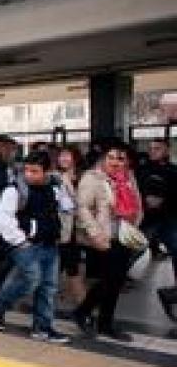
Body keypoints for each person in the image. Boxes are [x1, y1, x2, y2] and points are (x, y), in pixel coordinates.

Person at [0, 152, 70, 343]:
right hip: (25, 244)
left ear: (47, 171)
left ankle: (42, 328)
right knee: (32, 279)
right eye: (27, 170)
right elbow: (4, 218)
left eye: (35, 171)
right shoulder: (15, 189)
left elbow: (67, 207)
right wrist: (20, 241)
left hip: (50, 243)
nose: (29, 175)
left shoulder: (55, 185)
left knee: (48, 287)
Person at [72, 141, 143, 341]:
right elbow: (83, 208)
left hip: (125, 235)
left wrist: (135, 223)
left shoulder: (128, 176)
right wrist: (94, 233)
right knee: (109, 279)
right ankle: (84, 312)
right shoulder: (92, 177)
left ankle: (104, 323)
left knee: (116, 281)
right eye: (110, 157)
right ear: (103, 158)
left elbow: (137, 201)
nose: (115, 162)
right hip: (104, 236)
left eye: (119, 158)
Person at [136, 138, 177, 318]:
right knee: (128, 257)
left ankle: (172, 294)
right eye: (151, 148)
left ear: (166, 150)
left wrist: (164, 200)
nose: (153, 151)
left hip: (168, 219)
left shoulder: (174, 171)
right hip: (146, 222)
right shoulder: (142, 170)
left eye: (157, 148)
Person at [56, 145, 86, 305]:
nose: (63, 159)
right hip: (63, 228)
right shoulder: (56, 177)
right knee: (72, 267)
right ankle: (84, 306)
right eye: (61, 156)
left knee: (66, 265)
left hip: (79, 228)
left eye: (67, 155)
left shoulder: (83, 177)